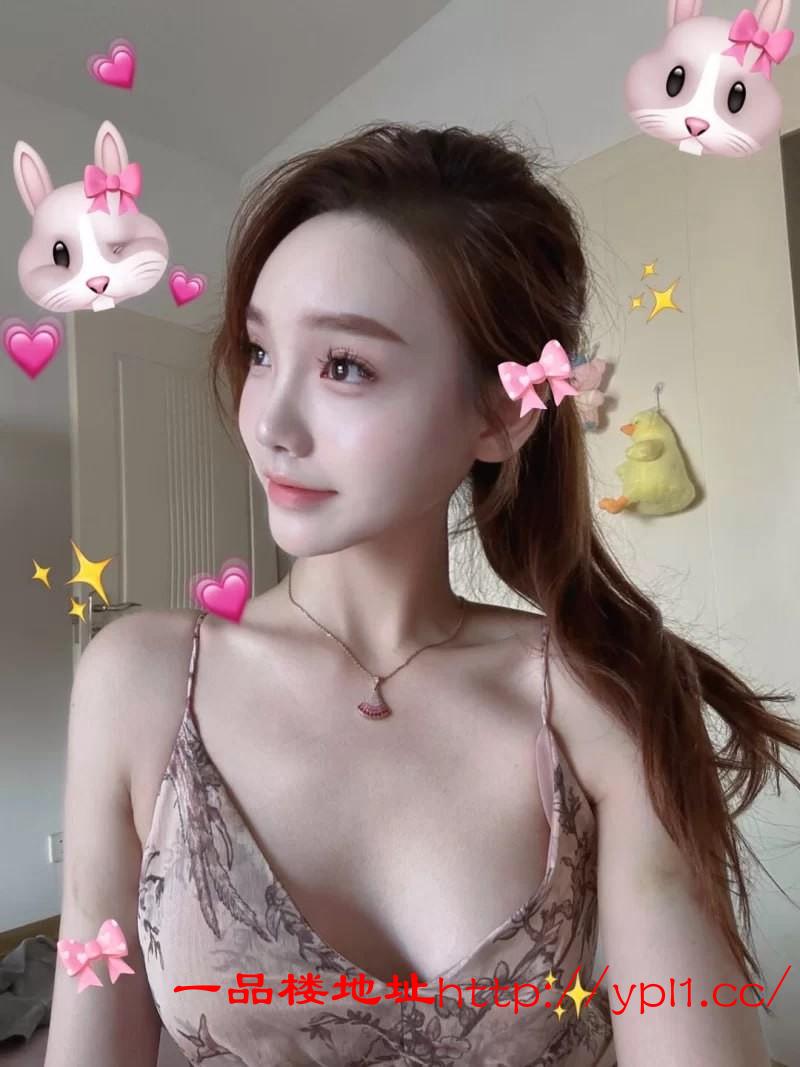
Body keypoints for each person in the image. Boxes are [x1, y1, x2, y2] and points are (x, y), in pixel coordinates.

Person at [45, 122, 800, 1067]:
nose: (269, 422)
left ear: (501, 414)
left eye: (345, 366)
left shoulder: (601, 693)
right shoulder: (141, 681)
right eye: (262, 351)